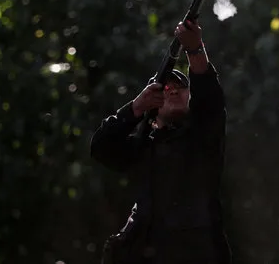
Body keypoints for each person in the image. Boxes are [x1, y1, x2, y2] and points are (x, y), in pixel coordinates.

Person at [90, 20, 231, 264]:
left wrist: (195, 48)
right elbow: (101, 147)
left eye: (181, 87)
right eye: (166, 88)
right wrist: (136, 106)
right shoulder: (142, 148)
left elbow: (209, 97)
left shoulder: (203, 138)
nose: (173, 91)